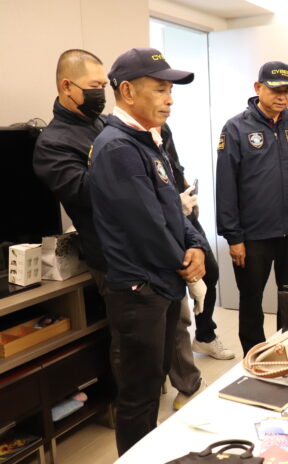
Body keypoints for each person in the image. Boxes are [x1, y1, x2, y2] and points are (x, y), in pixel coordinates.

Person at [89, 47, 206, 455]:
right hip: (140, 290)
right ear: (127, 91)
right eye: (160, 89)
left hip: (163, 282)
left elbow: (174, 204)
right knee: (139, 398)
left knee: (152, 385)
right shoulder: (118, 148)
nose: (169, 98)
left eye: (170, 90)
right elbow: (147, 227)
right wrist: (187, 262)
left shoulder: (146, 140)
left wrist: (195, 246)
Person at [216, 61, 288, 354]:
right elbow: (225, 187)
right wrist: (234, 237)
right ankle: (254, 356)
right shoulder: (236, 128)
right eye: (275, 90)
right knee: (250, 299)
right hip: (252, 237)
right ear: (258, 88)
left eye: (286, 90)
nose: (281, 96)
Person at [33, 49, 109, 288]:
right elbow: (89, 194)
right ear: (67, 86)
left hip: (149, 250)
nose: (101, 93)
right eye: (95, 85)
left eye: (104, 85)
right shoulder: (52, 144)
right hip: (113, 259)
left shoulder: (106, 123)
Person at [160, 124, 236, 362]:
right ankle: (174, 362)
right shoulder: (123, 140)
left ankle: (204, 336)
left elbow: (173, 165)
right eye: (160, 91)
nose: (167, 102)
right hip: (161, 222)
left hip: (184, 216)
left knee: (209, 272)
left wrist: (187, 193)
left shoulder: (161, 128)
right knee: (174, 291)